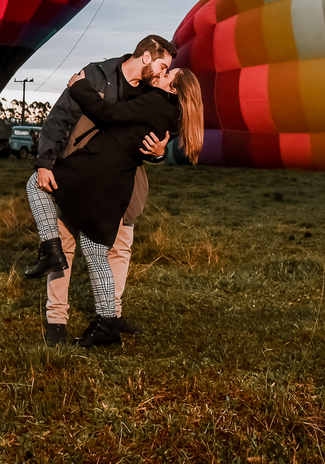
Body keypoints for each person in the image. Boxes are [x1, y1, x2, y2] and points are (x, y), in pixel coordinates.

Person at [24, 65, 203, 348]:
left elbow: (107, 114)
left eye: (168, 73)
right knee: (96, 252)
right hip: (116, 185)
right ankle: (107, 324)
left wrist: (78, 85)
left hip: (96, 169)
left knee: (37, 182)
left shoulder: (156, 100)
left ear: (172, 88)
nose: (162, 73)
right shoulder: (175, 116)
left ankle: (51, 249)